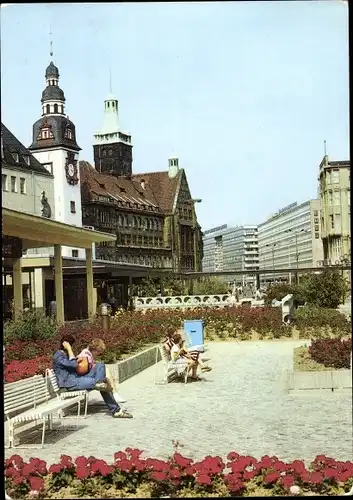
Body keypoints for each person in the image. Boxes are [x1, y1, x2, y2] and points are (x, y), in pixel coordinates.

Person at [52, 335, 132, 418]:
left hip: (76, 379)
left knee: (100, 366)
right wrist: (69, 350)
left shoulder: (64, 355)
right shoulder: (58, 355)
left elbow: (72, 365)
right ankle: (116, 410)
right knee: (98, 384)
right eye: (72, 345)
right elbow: (73, 364)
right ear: (66, 345)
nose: (73, 347)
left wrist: (76, 359)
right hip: (69, 384)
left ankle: (100, 384)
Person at [77, 338, 126, 403]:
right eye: (99, 352)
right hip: (84, 380)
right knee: (104, 370)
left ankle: (114, 396)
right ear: (95, 349)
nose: (99, 354)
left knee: (105, 375)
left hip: (87, 378)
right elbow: (86, 370)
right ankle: (114, 394)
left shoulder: (88, 353)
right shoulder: (86, 355)